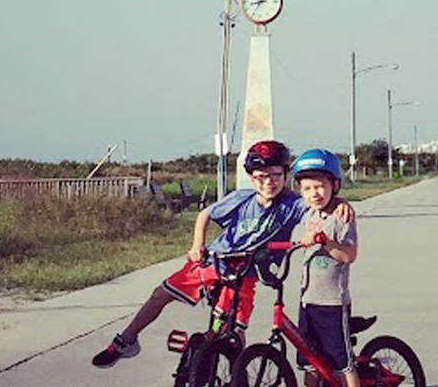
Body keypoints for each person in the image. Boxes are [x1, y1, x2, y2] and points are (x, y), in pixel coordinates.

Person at [90, 138, 314, 368]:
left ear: (286, 174)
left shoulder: (292, 204)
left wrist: (334, 210)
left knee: (235, 329)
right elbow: (205, 214)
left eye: (275, 175)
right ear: (252, 177)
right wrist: (198, 245)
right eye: (261, 176)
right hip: (217, 260)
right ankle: (126, 341)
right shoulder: (242, 198)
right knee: (161, 294)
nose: (269, 182)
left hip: (246, 272)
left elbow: (316, 210)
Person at [286, 147, 370, 387]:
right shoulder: (306, 213)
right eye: (307, 187)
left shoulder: (342, 216)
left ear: (335, 185)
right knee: (310, 358)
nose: (314, 193)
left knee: (341, 359)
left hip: (332, 301)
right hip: (307, 300)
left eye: (321, 185)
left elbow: (349, 255)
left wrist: (325, 243)